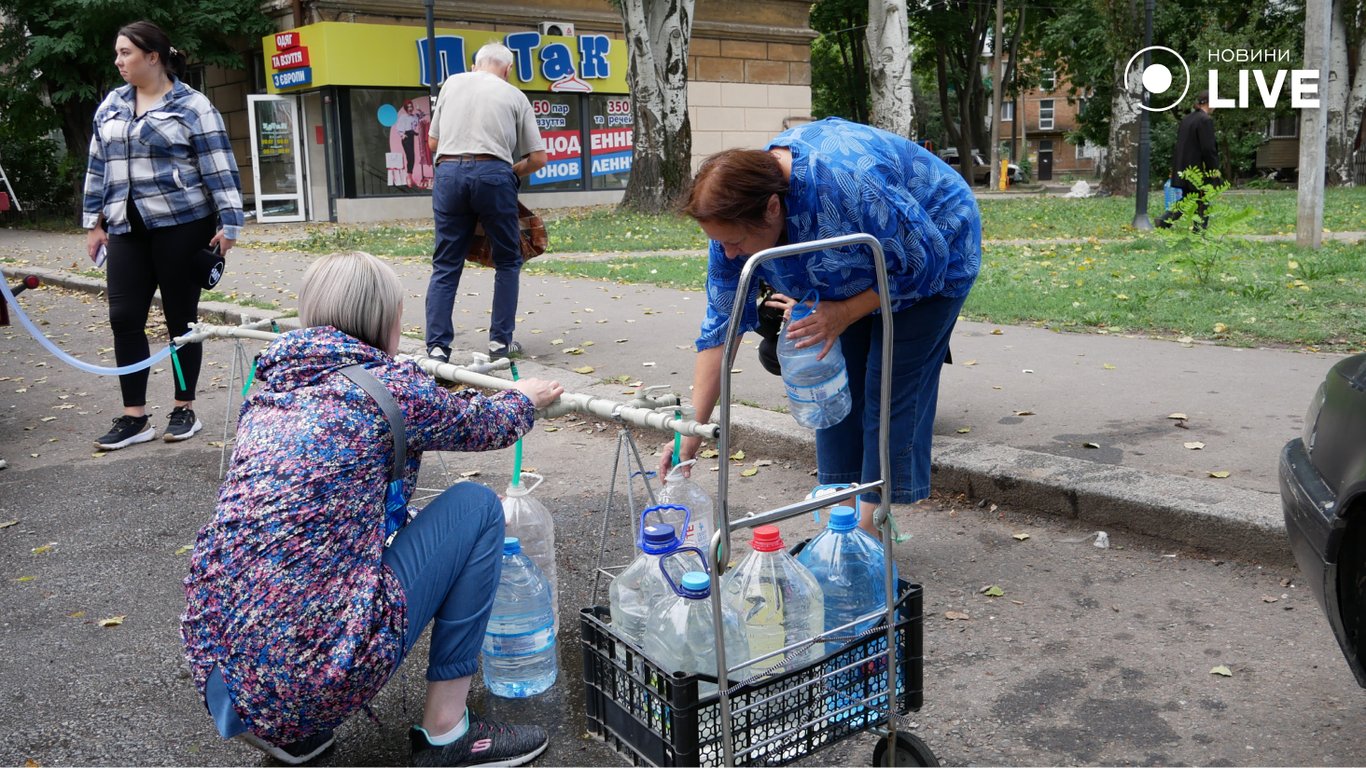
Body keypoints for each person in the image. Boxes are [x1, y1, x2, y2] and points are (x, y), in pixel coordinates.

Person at [181, 251, 564, 767]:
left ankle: (290, 732)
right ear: (386, 321)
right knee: (476, 506)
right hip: (315, 672)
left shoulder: (273, 387)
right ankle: (447, 731)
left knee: (287, 570)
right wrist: (523, 397)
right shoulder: (389, 390)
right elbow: (485, 424)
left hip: (224, 672)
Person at [660, 117, 981, 535]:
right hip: (856, 266)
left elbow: (925, 265)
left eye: (735, 243)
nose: (729, 253)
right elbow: (722, 326)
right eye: (720, 242)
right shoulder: (734, 223)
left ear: (773, 208)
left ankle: (868, 533)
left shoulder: (849, 185)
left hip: (934, 249)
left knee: (889, 390)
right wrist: (692, 435)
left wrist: (845, 312)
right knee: (836, 381)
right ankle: (841, 517)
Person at [82, 20, 243, 450]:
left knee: (181, 320)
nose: (118, 61)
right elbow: (98, 166)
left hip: (183, 224)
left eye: (126, 53)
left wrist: (230, 222)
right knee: (124, 318)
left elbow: (219, 165)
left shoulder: (192, 106)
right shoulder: (112, 105)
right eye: (117, 54)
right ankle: (134, 417)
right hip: (126, 227)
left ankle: (184, 408)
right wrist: (94, 222)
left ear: (153, 57)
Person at [424, 42, 547, 363]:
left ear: (475, 64)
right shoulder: (515, 95)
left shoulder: (452, 83)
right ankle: (499, 345)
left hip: (448, 172)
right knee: (508, 261)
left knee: (446, 262)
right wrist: (511, 172)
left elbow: (433, 142)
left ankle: (437, 348)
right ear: (507, 70)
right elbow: (538, 158)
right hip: (494, 174)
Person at [1156, 90, 1218, 230]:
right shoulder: (1205, 120)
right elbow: (1208, 149)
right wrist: (1213, 170)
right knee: (1203, 198)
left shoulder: (1187, 119)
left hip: (1184, 167)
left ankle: (1164, 221)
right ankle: (1199, 231)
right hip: (1198, 169)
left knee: (1189, 198)